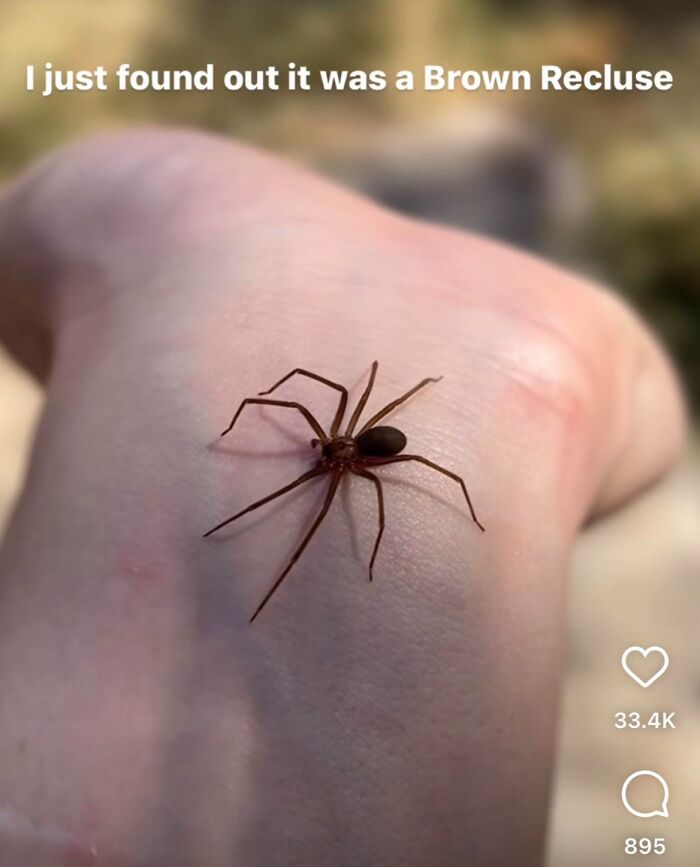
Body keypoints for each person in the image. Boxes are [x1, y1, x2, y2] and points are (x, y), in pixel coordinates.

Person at [0, 129, 686, 866]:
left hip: (384, 441)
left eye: (333, 448)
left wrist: (398, 482)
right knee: (308, 428)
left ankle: (263, 558)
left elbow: (406, 467)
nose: (326, 452)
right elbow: (312, 391)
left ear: (344, 449)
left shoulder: (360, 461)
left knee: (314, 505)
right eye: (332, 448)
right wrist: (256, 410)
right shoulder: (331, 436)